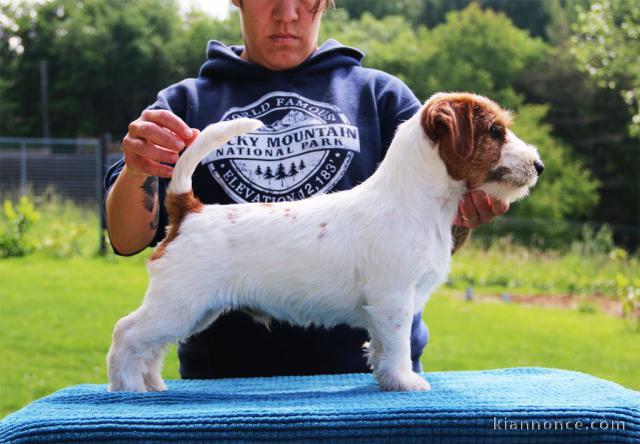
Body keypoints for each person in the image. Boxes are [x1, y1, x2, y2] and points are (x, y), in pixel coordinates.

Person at [104, 0, 508, 379]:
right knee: (167, 318)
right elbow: (125, 238)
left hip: (358, 382)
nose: (287, 13)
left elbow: (424, 239)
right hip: (225, 385)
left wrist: (465, 209)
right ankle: (130, 359)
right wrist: (139, 169)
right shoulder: (183, 101)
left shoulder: (383, 97)